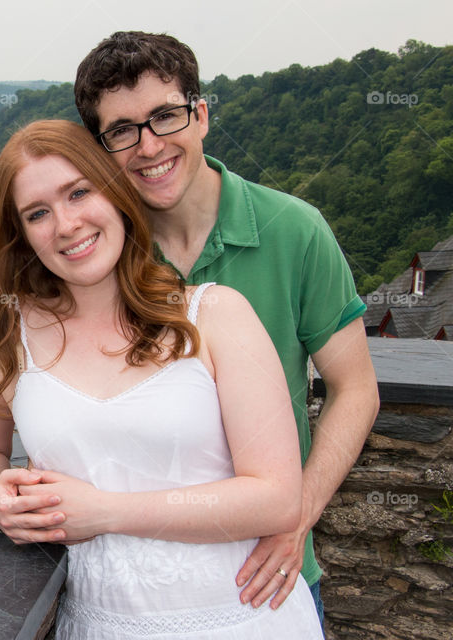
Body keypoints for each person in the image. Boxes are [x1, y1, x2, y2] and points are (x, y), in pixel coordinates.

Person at [0, 119, 323, 638]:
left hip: (242, 616)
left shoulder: (216, 315)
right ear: (18, 235)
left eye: (79, 192)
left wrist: (105, 513)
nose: (66, 224)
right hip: (99, 623)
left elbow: (277, 498)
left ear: (116, 192)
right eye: (38, 213)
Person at [72, 32, 379, 622]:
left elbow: (355, 387)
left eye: (166, 116)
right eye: (122, 130)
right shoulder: (97, 255)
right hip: (138, 593)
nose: (149, 145)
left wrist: (297, 514)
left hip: (268, 577)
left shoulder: (295, 230)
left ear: (201, 114)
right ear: (100, 149)